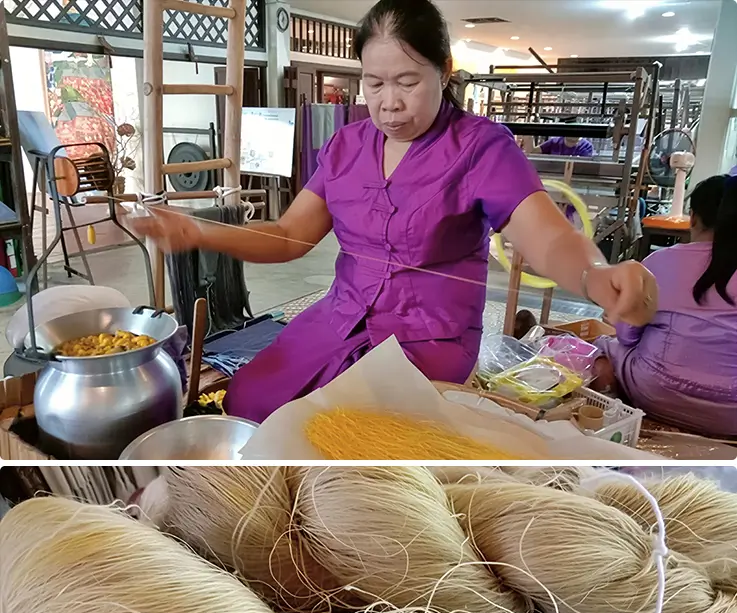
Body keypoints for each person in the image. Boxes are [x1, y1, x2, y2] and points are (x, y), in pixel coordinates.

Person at [133, 0, 656, 424]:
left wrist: (594, 275)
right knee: (249, 401)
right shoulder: (345, 146)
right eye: (374, 82)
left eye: (408, 81)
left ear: (444, 72)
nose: (388, 102)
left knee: (358, 434)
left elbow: (547, 238)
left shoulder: (480, 147)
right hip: (341, 316)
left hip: (430, 334)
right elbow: (290, 234)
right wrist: (200, 231)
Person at [595, 174, 737, 438]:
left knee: (601, 347)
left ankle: (613, 412)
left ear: (692, 217)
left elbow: (627, 334)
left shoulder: (661, 262)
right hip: (731, 418)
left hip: (656, 394)